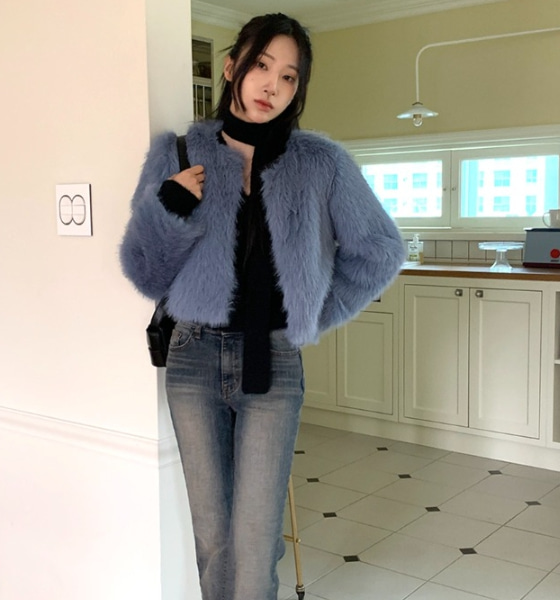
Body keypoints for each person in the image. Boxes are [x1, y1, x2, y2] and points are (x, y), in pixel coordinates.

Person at [119, 12, 405, 600]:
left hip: (273, 362)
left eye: (289, 76)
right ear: (232, 68)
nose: (272, 85)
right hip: (193, 358)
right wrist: (168, 206)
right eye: (261, 65)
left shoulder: (321, 163)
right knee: (213, 542)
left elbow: (380, 250)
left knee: (253, 546)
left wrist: (314, 311)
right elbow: (145, 273)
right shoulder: (179, 152)